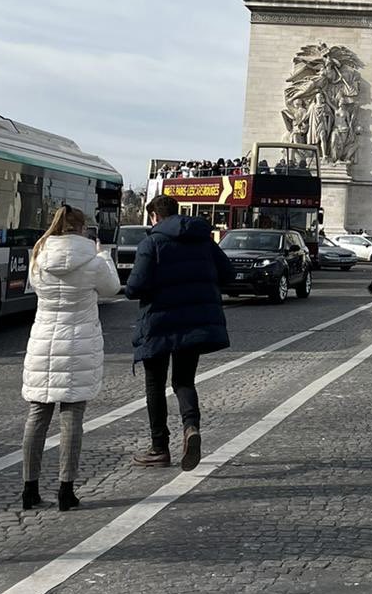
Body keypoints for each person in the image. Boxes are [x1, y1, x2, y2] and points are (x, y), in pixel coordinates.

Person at [20, 205, 121, 510]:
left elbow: (36, 287)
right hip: (79, 344)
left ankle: (29, 488)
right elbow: (112, 288)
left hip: (43, 341)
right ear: (81, 228)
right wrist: (104, 256)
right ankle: (66, 489)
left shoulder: (39, 254)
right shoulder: (91, 258)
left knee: (37, 417)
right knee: (72, 418)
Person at [126, 194, 234, 470]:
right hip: (194, 322)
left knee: (155, 386)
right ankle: (191, 428)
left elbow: (134, 288)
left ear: (154, 217)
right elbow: (229, 273)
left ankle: (159, 448)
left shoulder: (152, 242)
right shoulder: (202, 240)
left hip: (159, 322)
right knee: (184, 381)